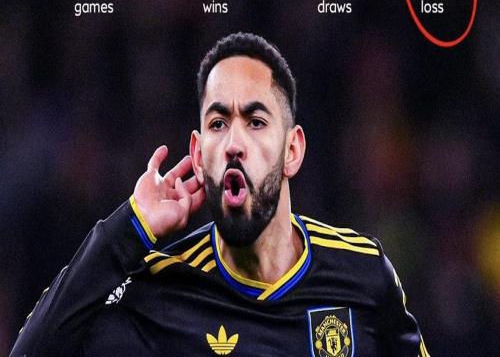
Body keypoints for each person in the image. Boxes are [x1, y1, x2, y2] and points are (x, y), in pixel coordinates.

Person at [11, 32, 430, 357]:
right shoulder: (164, 290)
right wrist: (128, 227)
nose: (233, 143)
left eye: (256, 121)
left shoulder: (362, 274)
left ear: (292, 150)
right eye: (218, 123)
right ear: (198, 155)